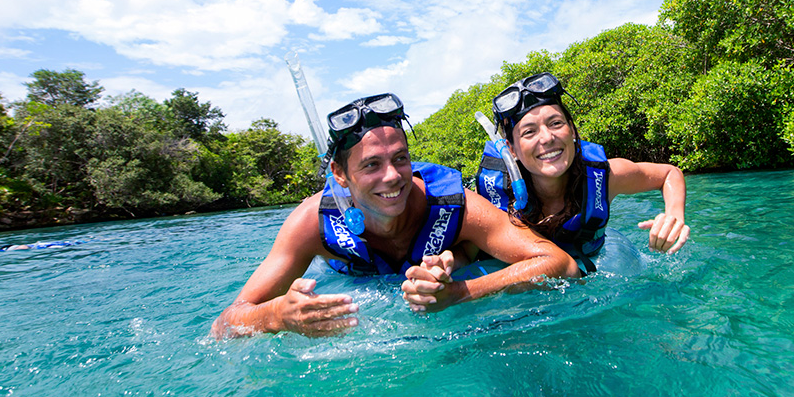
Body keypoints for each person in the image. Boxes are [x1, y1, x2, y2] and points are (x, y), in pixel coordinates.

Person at [212, 92, 578, 338]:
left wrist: (461, 293)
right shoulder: (310, 223)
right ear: (340, 175)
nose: (392, 176)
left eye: (400, 158)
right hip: (352, 281)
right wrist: (278, 316)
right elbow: (224, 325)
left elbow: (560, 263)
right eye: (372, 164)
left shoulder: (452, 204)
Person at [475, 72, 689, 273]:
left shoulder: (606, 178)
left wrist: (674, 215)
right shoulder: (491, 196)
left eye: (556, 123)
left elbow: (670, 174)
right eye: (529, 132)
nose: (547, 138)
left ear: (571, 129)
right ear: (511, 149)